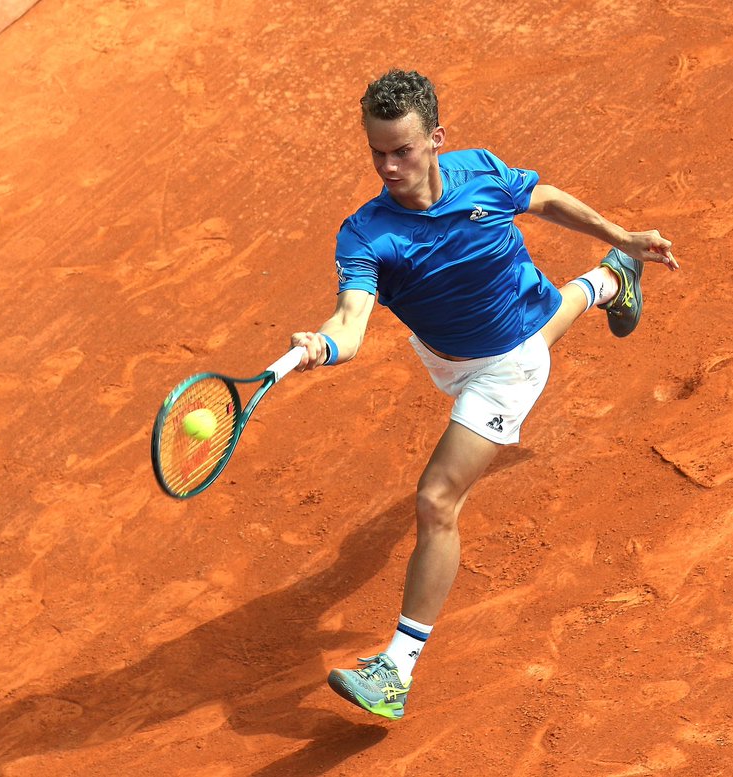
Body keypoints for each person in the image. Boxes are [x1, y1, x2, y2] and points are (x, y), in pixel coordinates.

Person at [289, 69, 679, 721]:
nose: (389, 165)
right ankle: (612, 283)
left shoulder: (483, 176)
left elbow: (544, 198)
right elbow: (351, 321)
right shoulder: (365, 233)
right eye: (377, 152)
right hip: (449, 352)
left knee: (437, 497)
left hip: (507, 363)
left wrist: (621, 232)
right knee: (548, 322)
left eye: (404, 150)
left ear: (436, 139)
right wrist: (322, 344)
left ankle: (396, 670)